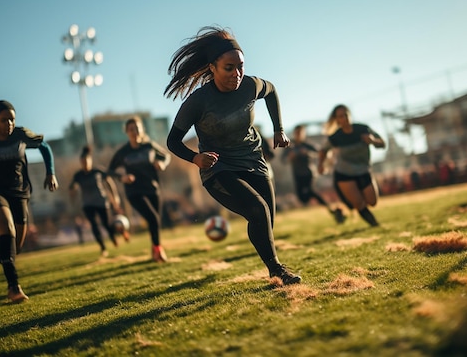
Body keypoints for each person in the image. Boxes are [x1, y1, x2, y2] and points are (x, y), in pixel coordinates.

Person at [164, 26, 301, 285]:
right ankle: (277, 270)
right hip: (219, 168)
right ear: (213, 67)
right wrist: (195, 158)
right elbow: (172, 141)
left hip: (253, 160)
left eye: (240, 66)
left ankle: (272, 265)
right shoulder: (198, 101)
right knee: (258, 210)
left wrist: (279, 130)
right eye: (229, 67)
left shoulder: (250, 85)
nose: (237, 74)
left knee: (266, 220)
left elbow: (271, 91)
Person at [0, 100, 59, 303]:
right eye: (4, 120)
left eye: (12, 120)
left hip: (18, 191)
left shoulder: (21, 135)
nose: (9, 124)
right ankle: (13, 287)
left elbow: (45, 146)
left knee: (16, 246)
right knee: (7, 231)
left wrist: (50, 173)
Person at [108, 116, 171, 262]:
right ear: (126, 132)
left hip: (153, 188)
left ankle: (154, 248)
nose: (134, 131)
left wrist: (162, 164)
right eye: (131, 129)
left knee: (154, 221)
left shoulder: (149, 146)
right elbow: (109, 171)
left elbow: (166, 156)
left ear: (142, 130)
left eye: (137, 128)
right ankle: (158, 250)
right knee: (153, 218)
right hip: (134, 191)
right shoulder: (123, 152)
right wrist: (121, 177)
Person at [317, 104, 385, 227]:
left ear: (350, 116)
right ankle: (374, 224)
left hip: (363, 170)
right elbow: (323, 150)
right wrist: (321, 165)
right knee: (358, 203)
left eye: (346, 115)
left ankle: (349, 205)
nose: (344, 118)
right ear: (337, 120)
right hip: (344, 173)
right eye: (340, 116)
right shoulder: (335, 137)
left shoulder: (363, 129)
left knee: (372, 202)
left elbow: (382, 143)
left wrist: (373, 141)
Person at [283, 124, 345, 223]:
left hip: (308, 173)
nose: (298, 135)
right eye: (297, 132)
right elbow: (284, 160)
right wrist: (291, 156)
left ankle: (333, 211)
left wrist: (307, 153)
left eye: (300, 132)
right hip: (297, 175)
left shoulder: (307, 145)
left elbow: (319, 153)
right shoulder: (290, 146)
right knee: (303, 198)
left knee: (311, 191)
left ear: (304, 134)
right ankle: (334, 211)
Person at [69, 145, 123, 257]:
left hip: (101, 202)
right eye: (83, 162)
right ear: (81, 162)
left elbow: (109, 181)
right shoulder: (78, 175)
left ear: (90, 161)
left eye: (87, 161)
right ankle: (103, 247)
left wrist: (115, 197)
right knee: (94, 225)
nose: (85, 163)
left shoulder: (97, 171)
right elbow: (72, 187)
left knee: (106, 224)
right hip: (87, 204)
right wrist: (73, 190)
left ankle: (112, 236)